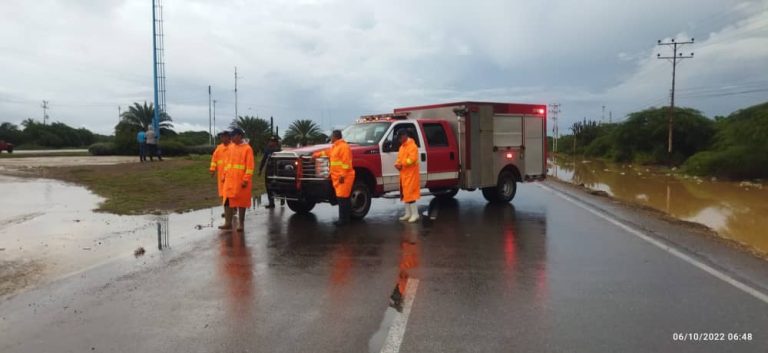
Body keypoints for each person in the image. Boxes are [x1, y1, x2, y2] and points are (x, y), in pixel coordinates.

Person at [312, 130, 355, 226]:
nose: (330, 138)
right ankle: (344, 219)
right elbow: (326, 153)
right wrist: (316, 155)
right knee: (341, 198)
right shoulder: (335, 147)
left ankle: (343, 220)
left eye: (331, 136)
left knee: (343, 199)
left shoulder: (344, 147)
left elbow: (346, 164)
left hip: (344, 177)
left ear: (335, 137)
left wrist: (342, 175)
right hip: (338, 177)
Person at [221, 128, 255, 231]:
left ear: (240, 136)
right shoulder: (231, 147)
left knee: (241, 203)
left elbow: (250, 167)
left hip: (241, 181)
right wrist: (224, 175)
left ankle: (241, 224)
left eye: (233, 135)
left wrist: (245, 180)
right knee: (227, 201)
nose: (231, 138)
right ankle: (228, 223)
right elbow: (227, 163)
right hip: (229, 180)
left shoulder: (247, 149)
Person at [395, 130, 420, 222]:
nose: (399, 140)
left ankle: (415, 214)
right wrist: (397, 164)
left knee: (410, 193)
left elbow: (412, 159)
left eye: (400, 138)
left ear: (405, 136)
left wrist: (402, 164)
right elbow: (399, 158)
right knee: (405, 193)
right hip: (404, 173)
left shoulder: (412, 146)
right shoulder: (402, 147)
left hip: (411, 174)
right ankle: (408, 213)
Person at [210, 131, 231, 224]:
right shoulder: (219, 148)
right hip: (221, 175)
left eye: (224, 137)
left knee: (230, 194)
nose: (222, 139)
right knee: (223, 193)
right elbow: (214, 159)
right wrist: (212, 169)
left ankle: (231, 211)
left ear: (228, 137)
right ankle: (228, 211)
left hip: (231, 175)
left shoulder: (233, 147)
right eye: (221, 137)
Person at [258, 136, 281, 208]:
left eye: (272, 141)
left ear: (276, 143)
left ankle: (282, 198)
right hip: (268, 171)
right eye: (270, 141)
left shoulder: (279, 151)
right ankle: (271, 203)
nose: (270, 143)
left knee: (278, 186)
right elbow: (263, 160)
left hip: (277, 172)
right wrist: (260, 170)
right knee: (268, 187)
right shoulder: (267, 150)